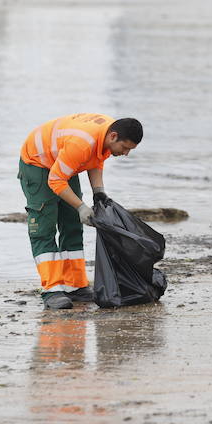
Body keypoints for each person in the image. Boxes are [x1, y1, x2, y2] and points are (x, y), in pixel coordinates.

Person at [18, 113, 143, 309]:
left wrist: (99, 192)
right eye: (125, 148)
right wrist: (81, 206)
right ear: (113, 137)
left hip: (63, 161)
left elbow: (96, 159)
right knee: (44, 228)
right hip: (38, 163)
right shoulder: (82, 143)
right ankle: (52, 290)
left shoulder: (108, 134)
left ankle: (74, 286)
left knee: (73, 224)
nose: (126, 153)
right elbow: (55, 180)